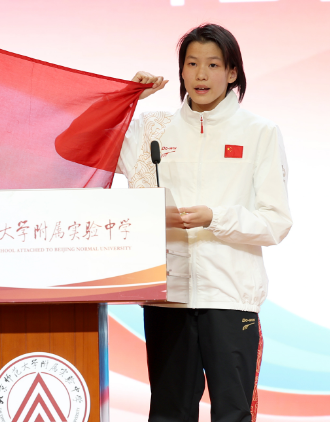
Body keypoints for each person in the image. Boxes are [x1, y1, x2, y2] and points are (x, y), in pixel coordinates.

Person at [118, 23, 292, 422]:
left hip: (230, 297)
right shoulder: (152, 128)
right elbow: (80, 146)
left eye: (213, 65)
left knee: (232, 414)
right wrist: (125, 101)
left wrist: (216, 218)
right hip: (168, 294)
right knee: (169, 413)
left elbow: (276, 222)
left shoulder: (260, 133)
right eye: (192, 63)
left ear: (232, 73)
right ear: (180, 71)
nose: (201, 74)